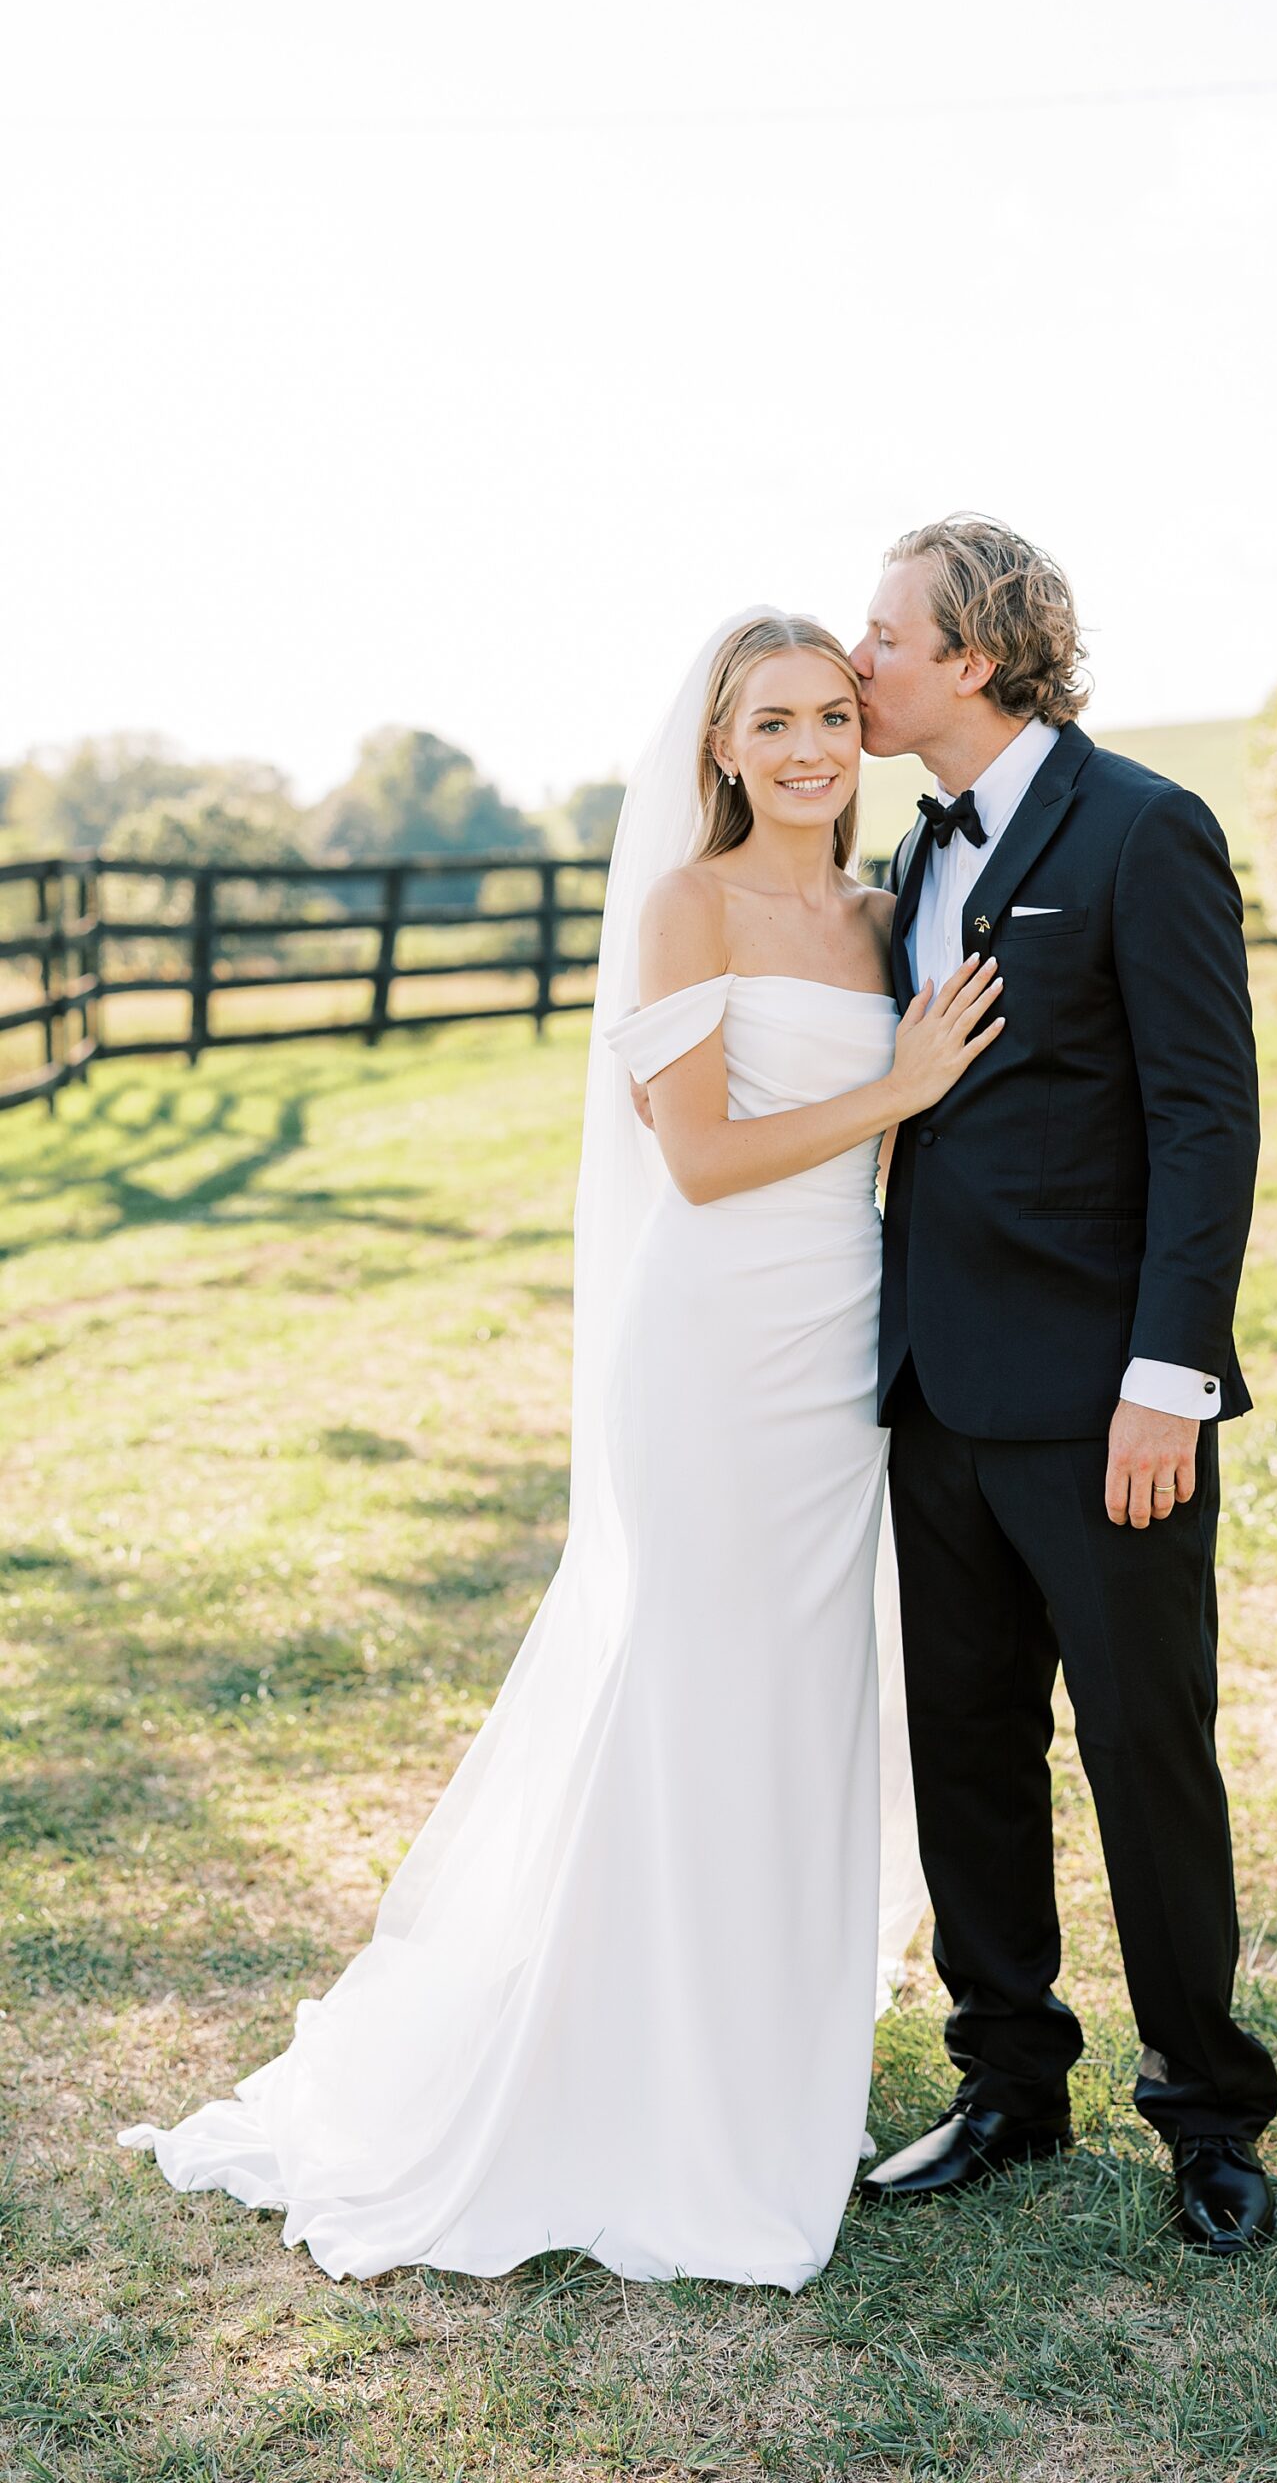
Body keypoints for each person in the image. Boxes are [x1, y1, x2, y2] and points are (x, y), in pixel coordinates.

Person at [117, 612, 999, 2291]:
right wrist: (898, 1090)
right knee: (678, 1672)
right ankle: (616, 2064)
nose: (811, 748)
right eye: (773, 722)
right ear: (722, 749)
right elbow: (703, 1159)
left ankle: (756, 2046)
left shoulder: (888, 917)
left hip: (839, 1350)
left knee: (804, 1688)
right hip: (710, 1340)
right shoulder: (687, 906)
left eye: (832, 714)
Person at [852, 517, 1277, 2255]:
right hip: (928, 1393)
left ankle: (1209, 2116)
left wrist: (1167, 1381)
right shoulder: (909, 844)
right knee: (964, 1748)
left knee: (1145, 1751)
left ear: (972, 656)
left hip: (1108, 1400)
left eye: (881, 639)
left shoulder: (1145, 828)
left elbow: (1205, 1118)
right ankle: (1007, 2083)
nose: (855, 662)